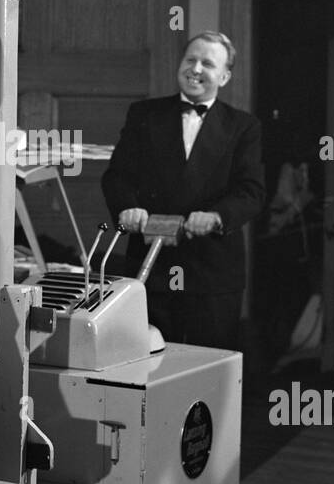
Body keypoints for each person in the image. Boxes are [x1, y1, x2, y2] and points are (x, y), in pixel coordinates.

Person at [101, 31, 265, 350]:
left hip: (213, 271)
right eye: (190, 59)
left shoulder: (244, 126)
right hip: (152, 265)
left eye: (207, 63)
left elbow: (252, 191)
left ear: (225, 76)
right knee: (148, 360)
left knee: (209, 366)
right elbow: (117, 176)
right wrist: (128, 208)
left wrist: (217, 216)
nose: (196, 69)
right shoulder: (144, 114)